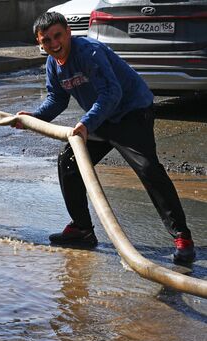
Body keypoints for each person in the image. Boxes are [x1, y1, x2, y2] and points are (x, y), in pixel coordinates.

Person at [15, 12, 195, 263]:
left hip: (130, 113)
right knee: (69, 162)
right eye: (46, 40)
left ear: (69, 32)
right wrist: (34, 118)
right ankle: (82, 229)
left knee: (148, 169)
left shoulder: (89, 52)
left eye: (58, 36)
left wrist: (86, 123)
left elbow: (112, 93)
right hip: (100, 119)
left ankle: (182, 237)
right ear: (39, 43)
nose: (54, 44)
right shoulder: (52, 64)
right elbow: (57, 99)